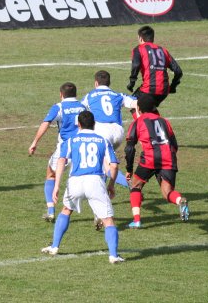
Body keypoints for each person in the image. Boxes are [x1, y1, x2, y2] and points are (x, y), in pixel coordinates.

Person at [41, 110, 124, 264]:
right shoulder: (103, 140)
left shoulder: (71, 140)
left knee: (66, 210)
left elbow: (61, 161)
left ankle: (54, 247)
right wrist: (111, 185)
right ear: (94, 124)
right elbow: (113, 165)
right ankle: (113, 255)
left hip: (75, 182)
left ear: (78, 124)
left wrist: (57, 186)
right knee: (108, 220)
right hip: (95, 181)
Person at [124, 98, 189, 228]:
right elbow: (174, 145)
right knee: (167, 192)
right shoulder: (165, 121)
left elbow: (129, 148)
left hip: (149, 158)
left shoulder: (137, 122)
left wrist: (129, 169)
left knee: (135, 186)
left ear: (138, 109)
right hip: (168, 159)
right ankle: (180, 200)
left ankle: (136, 220)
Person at [28, 82, 88, 221]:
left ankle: (50, 211)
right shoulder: (83, 106)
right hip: (81, 148)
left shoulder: (59, 107)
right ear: (76, 94)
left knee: (50, 174)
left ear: (61, 94)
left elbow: (46, 123)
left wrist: (35, 142)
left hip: (65, 149)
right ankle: (98, 215)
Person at [81, 69, 137, 192]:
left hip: (102, 132)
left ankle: (132, 186)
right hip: (118, 132)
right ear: (109, 83)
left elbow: (80, 110)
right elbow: (135, 103)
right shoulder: (118, 95)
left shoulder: (90, 96)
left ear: (96, 83)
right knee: (104, 161)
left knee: (106, 165)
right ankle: (103, 191)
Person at [127, 25, 182, 112]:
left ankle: (150, 125)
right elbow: (178, 71)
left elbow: (136, 65)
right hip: (164, 90)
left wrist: (131, 82)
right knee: (149, 108)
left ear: (140, 38)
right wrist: (173, 86)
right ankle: (158, 124)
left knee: (134, 105)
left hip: (149, 89)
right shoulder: (163, 50)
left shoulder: (139, 49)